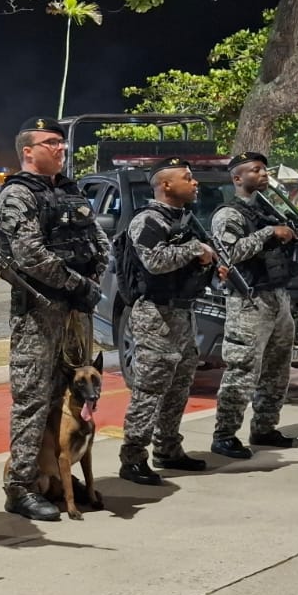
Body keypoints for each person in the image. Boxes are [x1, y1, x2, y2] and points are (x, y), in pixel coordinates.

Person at [0, 115, 107, 521]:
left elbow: (99, 240)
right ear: (28, 151)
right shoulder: (17, 196)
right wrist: (78, 284)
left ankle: (60, 476)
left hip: (76, 314)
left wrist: (93, 277)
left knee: (72, 396)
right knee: (33, 401)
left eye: (62, 142)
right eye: (51, 143)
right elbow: (30, 255)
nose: (60, 148)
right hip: (40, 315)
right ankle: (20, 485)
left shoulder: (71, 192)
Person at [117, 160, 217, 485]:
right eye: (187, 178)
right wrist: (193, 250)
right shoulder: (147, 220)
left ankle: (168, 448)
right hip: (154, 314)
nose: (195, 182)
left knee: (180, 383)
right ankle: (132, 458)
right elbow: (155, 261)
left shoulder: (185, 221)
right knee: (150, 386)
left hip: (182, 313)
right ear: (167, 186)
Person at [209, 153, 298, 460]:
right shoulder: (228, 215)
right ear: (238, 179)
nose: (263, 173)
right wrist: (269, 233)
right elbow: (230, 253)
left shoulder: (267, 209)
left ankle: (264, 427)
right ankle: (224, 435)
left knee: (277, 369)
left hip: (277, 298)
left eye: (264, 169)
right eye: (255, 170)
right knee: (243, 369)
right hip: (249, 303)